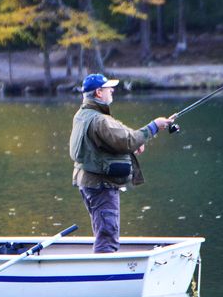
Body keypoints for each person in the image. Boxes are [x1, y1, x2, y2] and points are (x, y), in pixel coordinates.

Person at [69, 73, 175, 253]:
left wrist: (134, 143)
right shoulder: (99, 119)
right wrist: (154, 126)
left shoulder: (83, 114)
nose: (112, 90)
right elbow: (127, 140)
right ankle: (103, 275)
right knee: (107, 235)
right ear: (98, 93)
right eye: (108, 88)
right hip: (101, 185)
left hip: (88, 182)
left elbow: (114, 137)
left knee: (103, 230)